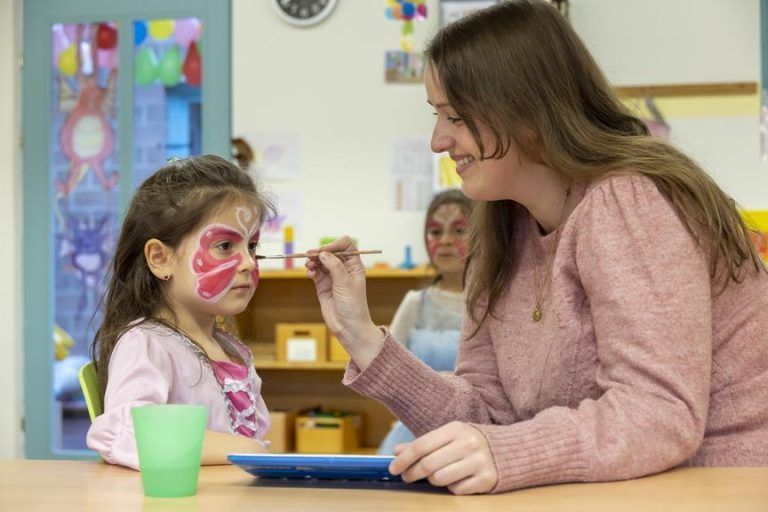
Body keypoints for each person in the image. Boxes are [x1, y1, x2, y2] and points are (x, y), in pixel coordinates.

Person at [305, 0, 768, 495]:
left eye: (455, 117)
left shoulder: (630, 200)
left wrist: (507, 452)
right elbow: (486, 416)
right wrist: (361, 337)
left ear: (525, 111)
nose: (438, 141)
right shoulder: (503, 230)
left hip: (722, 486)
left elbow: (659, 413)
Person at [87, 155, 273, 470]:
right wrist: (244, 448)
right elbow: (126, 431)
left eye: (251, 247)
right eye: (225, 247)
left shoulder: (231, 350)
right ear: (160, 259)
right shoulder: (146, 344)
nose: (247, 263)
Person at [378, 189, 472, 454]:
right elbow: (388, 371)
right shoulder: (415, 303)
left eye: (459, 230)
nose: (445, 241)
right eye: (435, 232)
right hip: (413, 435)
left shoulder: (495, 304)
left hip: (476, 437)